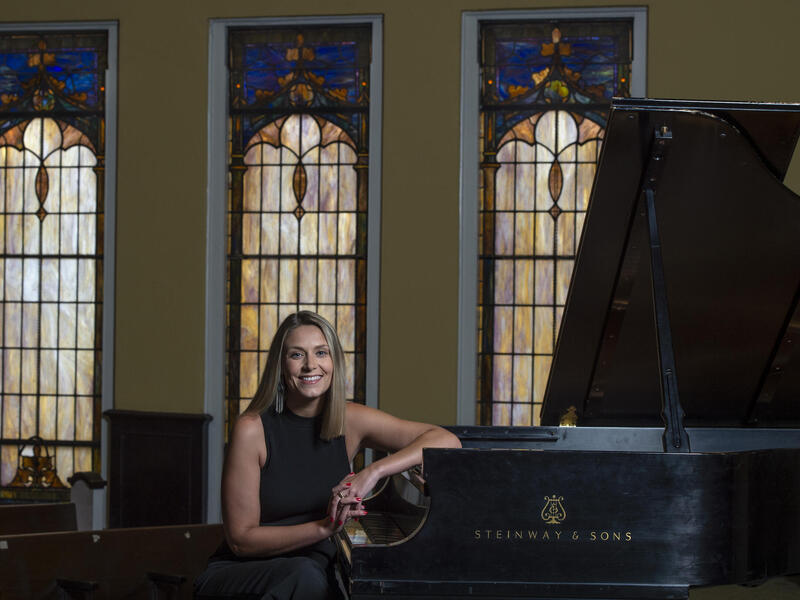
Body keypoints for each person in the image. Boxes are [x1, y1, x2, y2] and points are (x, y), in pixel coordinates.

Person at [194, 311, 462, 599]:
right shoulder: (252, 429)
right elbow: (241, 541)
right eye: (297, 355)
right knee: (308, 577)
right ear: (281, 366)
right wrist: (325, 528)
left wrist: (373, 472)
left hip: (315, 571)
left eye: (321, 353)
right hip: (245, 573)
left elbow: (445, 440)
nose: (311, 365)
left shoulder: (349, 420)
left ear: (333, 361)